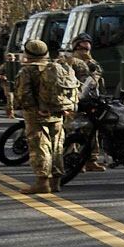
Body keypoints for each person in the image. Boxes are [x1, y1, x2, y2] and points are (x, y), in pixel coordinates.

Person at [10, 40, 78, 196]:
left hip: (36, 115)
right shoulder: (56, 67)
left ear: (27, 53)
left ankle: (42, 183)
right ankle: (56, 182)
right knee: (57, 147)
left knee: (39, 147)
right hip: (58, 113)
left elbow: (24, 94)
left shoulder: (27, 71)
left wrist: (34, 109)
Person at [65, 35, 109, 172]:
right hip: (74, 100)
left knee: (91, 130)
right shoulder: (69, 61)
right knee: (72, 130)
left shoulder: (92, 62)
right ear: (76, 47)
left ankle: (91, 160)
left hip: (90, 100)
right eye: (83, 46)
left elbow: (98, 77)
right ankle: (74, 160)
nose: (85, 49)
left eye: (87, 46)